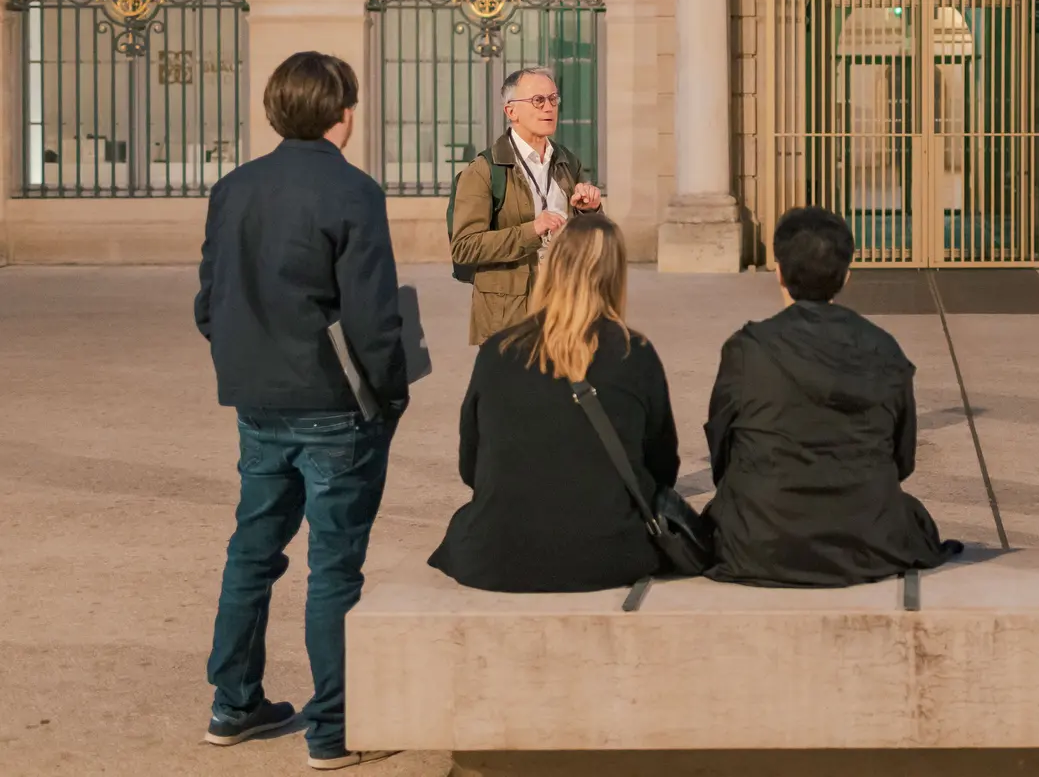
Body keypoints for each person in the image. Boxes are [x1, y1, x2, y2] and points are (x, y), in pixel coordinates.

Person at [195, 53, 404, 771]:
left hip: (257, 397)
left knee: (252, 549)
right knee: (334, 569)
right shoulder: (353, 191)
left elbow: (208, 302)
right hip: (334, 404)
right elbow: (375, 319)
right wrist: (390, 395)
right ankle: (331, 728)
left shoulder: (233, 187)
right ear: (341, 110)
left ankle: (233, 702)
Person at [430, 217, 680, 593]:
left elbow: (472, 466)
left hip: (497, 557)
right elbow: (662, 467)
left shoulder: (499, 351)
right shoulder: (635, 353)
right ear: (616, 276)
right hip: (608, 554)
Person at [704, 207, 949, 587]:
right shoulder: (884, 349)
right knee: (914, 519)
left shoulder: (745, 349)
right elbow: (902, 459)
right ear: (846, 276)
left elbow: (721, 450)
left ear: (779, 272)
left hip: (757, 542)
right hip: (867, 540)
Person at [450, 66, 604, 347]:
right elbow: (465, 247)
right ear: (511, 112)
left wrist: (589, 211)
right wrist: (532, 230)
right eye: (538, 101)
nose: (549, 108)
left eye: (553, 99)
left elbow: (593, 240)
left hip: (565, 306)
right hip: (510, 316)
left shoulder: (568, 161)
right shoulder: (484, 170)